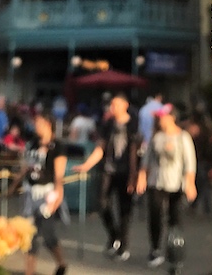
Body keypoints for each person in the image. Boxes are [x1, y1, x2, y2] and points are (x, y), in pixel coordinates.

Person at [73, 92, 140, 262]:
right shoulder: (108, 124)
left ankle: (124, 245)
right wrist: (87, 165)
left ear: (125, 105)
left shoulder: (133, 124)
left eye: (116, 104)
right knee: (102, 203)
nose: (112, 108)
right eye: (112, 105)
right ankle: (114, 235)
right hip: (109, 169)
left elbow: (134, 151)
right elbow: (100, 147)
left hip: (126, 171)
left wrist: (134, 175)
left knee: (125, 209)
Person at [136, 103, 197, 268]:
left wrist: (190, 183)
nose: (160, 120)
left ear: (172, 117)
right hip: (156, 182)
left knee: (174, 218)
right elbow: (146, 160)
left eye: (162, 116)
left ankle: (174, 250)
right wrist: (142, 177)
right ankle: (155, 249)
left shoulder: (183, 137)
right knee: (155, 215)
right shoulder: (156, 137)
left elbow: (189, 163)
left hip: (175, 183)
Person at [13, 110, 68, 275]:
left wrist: (57, 196)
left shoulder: (57, 146)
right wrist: (13, 185)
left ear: (47, 125)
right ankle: (29, 271)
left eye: (39, 123)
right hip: (31, 192)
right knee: (30, 235)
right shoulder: (33, 143)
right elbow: (25, 166)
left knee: (48, 234)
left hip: (48, 192)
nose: (36, 126)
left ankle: (61, 263)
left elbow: (59, 175)